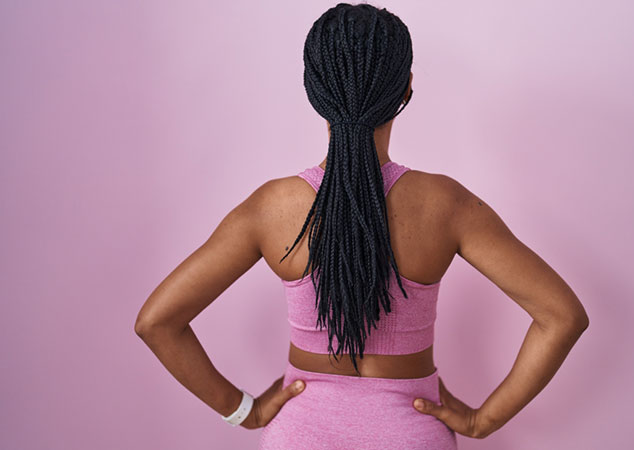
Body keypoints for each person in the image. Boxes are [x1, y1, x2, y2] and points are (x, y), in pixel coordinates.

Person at [134, 3, 589, 449]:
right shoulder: (447, 205)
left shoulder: (270, 208)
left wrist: (243, 410)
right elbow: (561, 317)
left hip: (300, 436)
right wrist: (482, 420)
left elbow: (157, 321)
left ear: (313, 90)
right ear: (405, 90)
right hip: (411, 435)